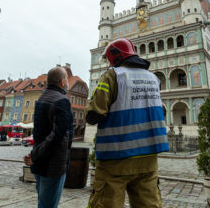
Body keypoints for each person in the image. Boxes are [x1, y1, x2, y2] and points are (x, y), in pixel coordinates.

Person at [86, 38, 169, 208]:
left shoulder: (113, 75)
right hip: (148, 158)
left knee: (105, 203)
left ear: (114, 57)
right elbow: (161, 111)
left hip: (116, 158)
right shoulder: (154, 79)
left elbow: (94, 114)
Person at [23, 67, 73, 208]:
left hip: (40, 163)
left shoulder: (43, 97)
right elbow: (58, 135)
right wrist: (34, 155)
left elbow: (41, 132)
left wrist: (35, 155)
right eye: (67, 80)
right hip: (53, 165)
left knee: (43, 202)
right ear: (63, 82)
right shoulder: (61, 100)